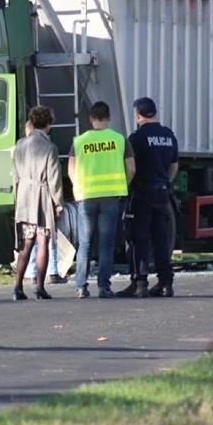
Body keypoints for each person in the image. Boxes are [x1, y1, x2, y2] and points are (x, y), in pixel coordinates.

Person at [68, 101, 136, 298]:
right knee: (106, 244)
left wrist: (79, 188)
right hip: (111, 198)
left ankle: (81, 286)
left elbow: (71, 169)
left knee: (85, 244)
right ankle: (104, 287)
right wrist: (122, 185)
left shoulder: (79, 141)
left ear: (91, 119)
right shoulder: (119, 139)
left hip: (87, 198)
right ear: (109, 118)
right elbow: (131, 168)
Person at [117, 97, 179, 298]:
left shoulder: (137, 138)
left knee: (137, 238)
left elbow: (131, 168)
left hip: (141, 193)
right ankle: (165, 282)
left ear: (138, 115)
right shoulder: (169, 136)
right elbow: (174, 166)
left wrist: (125, 187)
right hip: (162, 192)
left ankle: (139, 283)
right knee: (160, 239)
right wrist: (165, 182)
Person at [12, 106, 65, 300]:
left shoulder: (20, 144)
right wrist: (58, 204)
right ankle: (40, 287)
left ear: (31, 123)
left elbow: (15, 175)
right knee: (43, 241)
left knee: (26, 243)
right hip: (42, 196)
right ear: (48, 125)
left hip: (25, 196)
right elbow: (54, 179)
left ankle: (17, 287)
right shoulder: (50, 148)